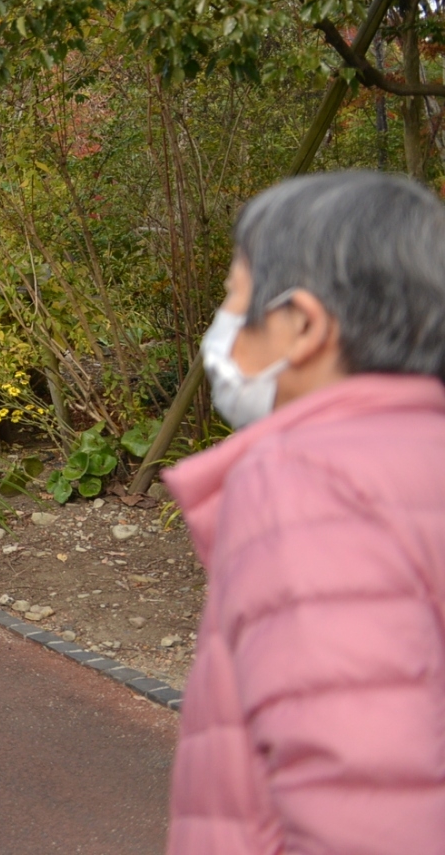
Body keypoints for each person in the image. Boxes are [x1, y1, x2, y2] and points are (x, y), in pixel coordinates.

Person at [163, 170, 445, 852]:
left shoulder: (304, 481)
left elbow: (368, 807)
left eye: (234, 300)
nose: (224, 334)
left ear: (303, 323)